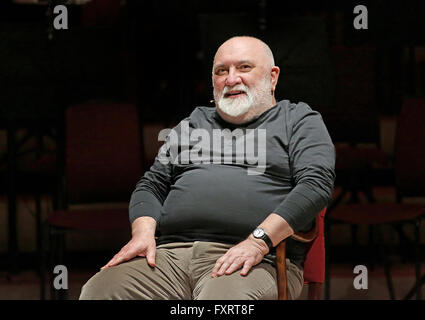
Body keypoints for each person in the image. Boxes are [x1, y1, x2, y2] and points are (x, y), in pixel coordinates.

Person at [79, 36, 335, 300]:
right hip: (168, 258)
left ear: (272, 77)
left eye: (244, 68)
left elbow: (316, 185)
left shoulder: (298, 120)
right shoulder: (193, 123)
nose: (231, 79)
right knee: (99, 292)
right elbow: (151, 184)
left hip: (255, 259)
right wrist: (143, 234)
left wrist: (258, 241)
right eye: (221, 71)